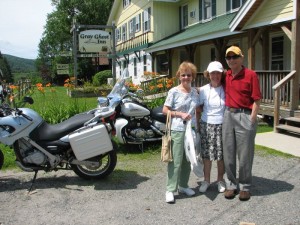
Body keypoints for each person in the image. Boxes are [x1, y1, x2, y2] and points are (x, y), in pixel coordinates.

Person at [222, 46, 261, 201]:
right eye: (228, 58)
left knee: (245, 154)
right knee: (228, 152)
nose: (231, 60)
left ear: (241, 57)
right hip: (228, 114)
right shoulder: (226, 75)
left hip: (244, 115)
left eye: (234, 57)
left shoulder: (251, 75)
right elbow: (210, 78)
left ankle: (245, 186)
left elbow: (257, 99)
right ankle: (231, 185)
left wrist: (252, 118)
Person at [162, 61, 200, 204]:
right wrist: (180, 114)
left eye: (188, 75)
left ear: (193, 76)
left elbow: (197, 110)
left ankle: (183, 186)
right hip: (177, 129)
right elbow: (165, 110)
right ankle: (170, 189)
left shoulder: (195, 92)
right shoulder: (174, 91)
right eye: (183, 75)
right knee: (176, 161)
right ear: (179, 76)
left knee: (188, 159)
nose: (186, 77)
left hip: (191, 130)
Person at [197, 61, 226, 193]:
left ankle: (220, 180)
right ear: (208, 74)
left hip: (222, 125)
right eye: (212, 73)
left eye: (218, 73)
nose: (215, 76)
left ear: (222, 74)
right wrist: (197, 125)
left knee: (221, 155)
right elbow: (198, 108)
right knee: (206, 155)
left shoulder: (226, 88)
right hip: (206, 125)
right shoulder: (203, 90)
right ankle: (206, 180)